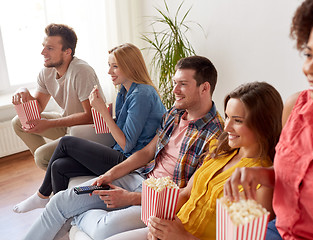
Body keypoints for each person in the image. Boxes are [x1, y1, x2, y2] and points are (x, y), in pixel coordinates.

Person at [22, 55, 224, 240]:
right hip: (139, 176)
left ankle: (75, 214)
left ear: (204, 88)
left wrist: (130, 198)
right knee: (60, 201)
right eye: (174, 83)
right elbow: (146, 153)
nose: (174, 91)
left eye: (183, 84)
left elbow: (187, 194)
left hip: (162, 201)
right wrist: (109, 175)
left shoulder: (216, 136)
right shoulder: (175, 114)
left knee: (102, 229)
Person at [224, 1, 313, 239]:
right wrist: (261, 175)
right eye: (308, 53)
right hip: (276, 231)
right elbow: (294, 174)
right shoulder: (296, 107)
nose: (309, 67)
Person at [112, 81, 283, 240]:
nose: (227, 127)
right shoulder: (220, 150)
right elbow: (185, 194)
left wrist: (183, 237)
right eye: (227, 117)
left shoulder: (263, 182)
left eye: (237, 121)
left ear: (263, 124)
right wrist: (159, 222)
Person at [13, 43, 166, 213]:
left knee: (66, 142)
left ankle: (41, 195)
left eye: (115, 66)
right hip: (118, 152)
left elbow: (126, 145)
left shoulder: (142, 95)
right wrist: (102, 113)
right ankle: (59, 215)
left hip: (130, 162)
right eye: (109, 66)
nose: (109, 72)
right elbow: (123, 127)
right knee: (59, 166)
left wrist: (102, 111)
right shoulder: (124, 90)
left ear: (130, 66)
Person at [11, 23, 105, 170]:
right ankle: (55, 168)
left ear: (67, 52)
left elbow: (91, 116)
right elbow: (38, 107)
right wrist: (24, 91)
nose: (43, 52)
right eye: (44, 46)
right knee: (18, 123)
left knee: (41, 156)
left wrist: (48, 124)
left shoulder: (82, 71)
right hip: (68, 124)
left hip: (90, 131)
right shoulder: (46, 72)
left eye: (50, 48)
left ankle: (54, 165)